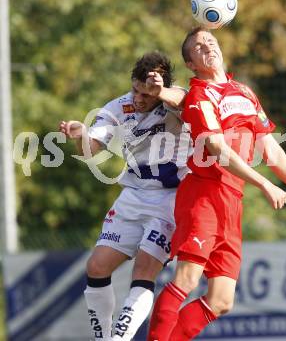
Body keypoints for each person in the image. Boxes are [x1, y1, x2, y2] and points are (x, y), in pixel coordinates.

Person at [147, 27, 286, 341]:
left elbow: (270, 148)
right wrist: (265, 185)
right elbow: (218, 150)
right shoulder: (199, 95)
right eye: (198, 46)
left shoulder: (245, 92)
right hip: (203, 194)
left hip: (231, 200)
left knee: (221, 300)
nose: (207, 44)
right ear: (191, 64)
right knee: (187, 277)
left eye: (210, 40)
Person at [59, 52, 190, 341]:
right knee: (96, 266)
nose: (140, 99)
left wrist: (163, 92)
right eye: (136, 90)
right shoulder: (119, 106)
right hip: (133, 195)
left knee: (144, 268)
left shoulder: (176, 102)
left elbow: (184, 100)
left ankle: (119, 338)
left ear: (160, 89)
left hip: (170, 200)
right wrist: (80, 134)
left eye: (147, 93)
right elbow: (92, 148)